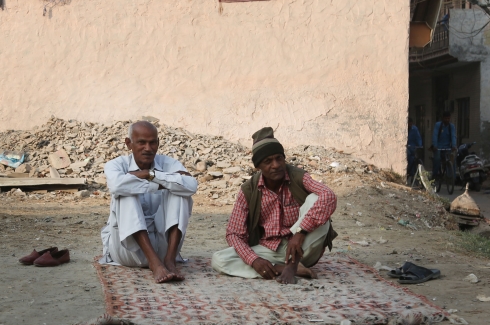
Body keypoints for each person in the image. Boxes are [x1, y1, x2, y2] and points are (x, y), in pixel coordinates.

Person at [211, 127, 338, 284]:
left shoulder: (298, 177)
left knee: (315, 198)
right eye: (268, 161)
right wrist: (254, 260)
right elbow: (234, 233)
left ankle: (293, 264)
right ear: (258, 166)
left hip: (303, 245)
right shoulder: (249, 190)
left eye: (279, 158)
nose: (276, 165)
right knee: (219, 259)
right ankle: (278, 268)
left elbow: (329, 195)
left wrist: (299, 233)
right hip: (269, 250)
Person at [100, 121, 198, 283]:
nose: (148, 148)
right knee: (126, 193)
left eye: (152, 142)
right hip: (126, 250)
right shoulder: (116, 164)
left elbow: (191, 185)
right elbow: (117, 185)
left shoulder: (168, 163)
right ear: (128, 143)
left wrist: (149, 174)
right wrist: (165, 181)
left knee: (180, 192)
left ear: (158, 143)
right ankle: (154, 263)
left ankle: (170, 260)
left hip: (163, 247)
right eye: (141, 143)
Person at [431, 111, 457, 179]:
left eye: (448, 118)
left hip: (447, 147)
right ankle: (435, 174)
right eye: (445, 118)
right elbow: (435, 135)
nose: (447, 120)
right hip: (438, 147)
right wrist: (435, 145)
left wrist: (454, 146)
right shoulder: (438, 125)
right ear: (442, 118)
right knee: (437, 159)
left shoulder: (451, 126)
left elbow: (453, 136)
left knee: (452, 159)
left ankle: (452, 177)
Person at [406, 118, 422, 183]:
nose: (410, 125)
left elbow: (418, 138)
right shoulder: (404, 128)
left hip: (413, 147)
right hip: (407, 147)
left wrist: (420, 145)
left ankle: (415, 174)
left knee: (415, 158)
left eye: (411, 123)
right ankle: (410, 172)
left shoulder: (414, 129)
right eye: (408, 123)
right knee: (409, 155)